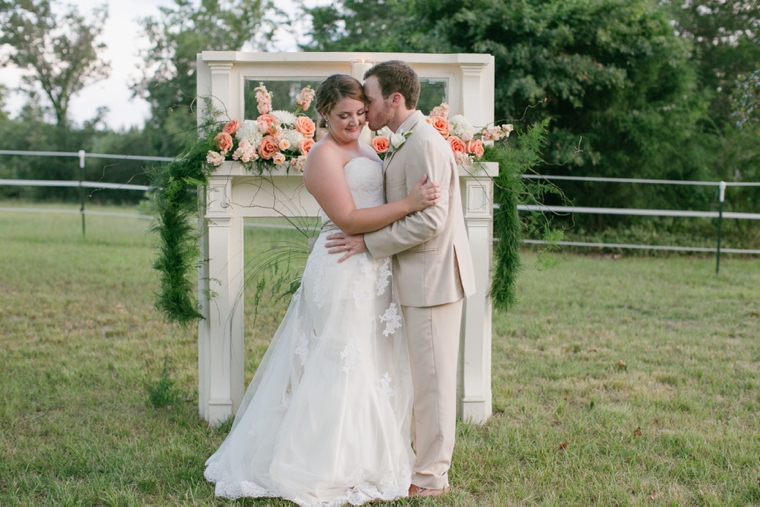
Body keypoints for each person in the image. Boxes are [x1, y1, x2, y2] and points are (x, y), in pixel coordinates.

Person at [204, 74, 441, 505]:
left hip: (373, 268)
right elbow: (348, 219)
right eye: (343, 116)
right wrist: (410, 204)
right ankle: (324, 461)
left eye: (360, 113)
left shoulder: (368, 147)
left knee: (372, 360)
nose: (354, 122)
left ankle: (369, 456)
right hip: (342, 267)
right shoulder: (322, 156)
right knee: (339, 358)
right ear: (324, 116)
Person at [325, 60, 476, 497]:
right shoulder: (400, 141)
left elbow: (430, 222)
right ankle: (413, 463)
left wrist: (369, 243)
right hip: (416, 278)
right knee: (419, 381)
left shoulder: (424, 144)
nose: (364, 108)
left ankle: (430, 479)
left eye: (369, 99)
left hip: (433, 280)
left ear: (394, 100)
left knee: (433, 385)